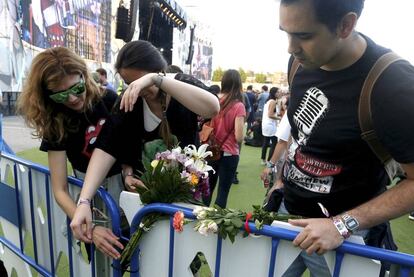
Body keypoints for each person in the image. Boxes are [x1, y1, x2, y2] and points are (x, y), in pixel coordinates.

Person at [278, 0, 414, 276]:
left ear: (346, 25)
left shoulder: (393, 82)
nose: (291, 47)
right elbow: (303, 134)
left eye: (304, 35)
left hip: (349, 238)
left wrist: (341, 225)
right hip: (286, 217)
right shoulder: (299, 62)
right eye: (286, 33)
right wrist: (280, 177)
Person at [69, 40, 219, 256]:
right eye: (130, 83)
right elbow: (107, 147)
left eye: (141, 81)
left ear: (158, 70)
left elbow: (212, 107)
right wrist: (85, 200)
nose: (137, 89)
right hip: (147, 200)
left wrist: (155, 79)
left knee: (187, 256)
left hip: (187, 196)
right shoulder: (129, 99)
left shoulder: (180, 84)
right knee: (151, 256)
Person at [16, 47, 125, 259]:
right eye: (61, 95)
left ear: (84, 75)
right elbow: (59, 189)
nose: (73, 99)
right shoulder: (55, 121)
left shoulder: (109, 100)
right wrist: (90, 228)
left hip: (126, 195)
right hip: (93, 206)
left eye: (77, 88)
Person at [202, 69, 246, 208]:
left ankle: (199, 217)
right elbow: (239, 136)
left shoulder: (214, 100)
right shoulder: (238, 106)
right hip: (229, 153)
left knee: (206, 189)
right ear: (238, 83)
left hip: (210, 150)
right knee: (223, 192)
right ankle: (213, 224)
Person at [261, 87, 280, 165]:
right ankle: (269, 160)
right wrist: (280, 118)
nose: (280, 93)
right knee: (274, 143)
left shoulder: (268, 101)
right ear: (274, 93)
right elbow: (270, 115)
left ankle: (263, 159)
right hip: (270, 125)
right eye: (278, 92)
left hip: (266, 124)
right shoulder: (272, 102)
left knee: (266, 142)